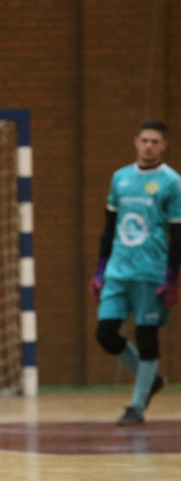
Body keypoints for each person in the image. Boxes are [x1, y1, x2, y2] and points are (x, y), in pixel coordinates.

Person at [89, 118, 181, 425]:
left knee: (147, 338)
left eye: (156, 141)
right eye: (145, 140)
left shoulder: (171, 181)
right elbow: (109, 226)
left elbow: (178, 233)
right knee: (105, 333)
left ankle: (137, 406)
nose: (149, 146)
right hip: (118, 270)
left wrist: (173, 277)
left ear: (164, 145)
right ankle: (150, 378)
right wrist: (100, 269)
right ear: (136, 141)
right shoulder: (121, 178)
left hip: (151, 272)